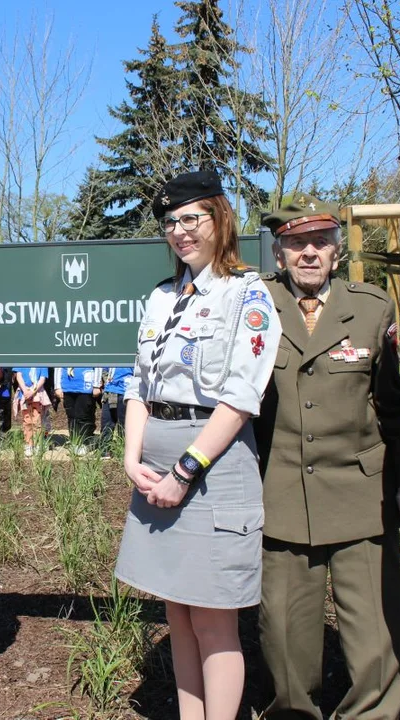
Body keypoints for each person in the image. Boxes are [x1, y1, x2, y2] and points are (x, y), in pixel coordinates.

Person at [114, 170, 280, 720]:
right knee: (178, 614)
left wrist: (185, 470)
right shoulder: (162, 298)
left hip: (212, 460)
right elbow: (139, 384)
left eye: (192, 218)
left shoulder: (246, 293)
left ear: (220, 219)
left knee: (213, 617)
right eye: (170, 222)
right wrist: (131, 457)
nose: (180, 230)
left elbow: (240, 395)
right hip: (155, 453)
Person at [254, 195, 400, 718]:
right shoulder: (253, 306)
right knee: (284, 636)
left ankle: (373, 713)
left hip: (361, 495)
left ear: (337, 253)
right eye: (296, 243)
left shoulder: (370, 309)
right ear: (279, 255)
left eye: (320, 242)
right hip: (282, 495)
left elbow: (393, 406)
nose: (309, 253)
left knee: (375, 635)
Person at [54, 366, 102, 454]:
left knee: (84, 415)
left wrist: (96, 385)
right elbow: (58, 366)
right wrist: (57, 386)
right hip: (67, 386)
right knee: (71, 416)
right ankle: (75, 441)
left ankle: (85, 442)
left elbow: (98, 364)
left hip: (85, 386)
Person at [13, 366, 50, 457]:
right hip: (24, 394)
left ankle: (37, 444)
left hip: (37, 394)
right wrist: (25, 391)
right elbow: (18, 376)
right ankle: (29, 444)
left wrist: (32, 391)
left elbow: (42, 379)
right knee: (27, 421)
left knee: (37, 421)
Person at [99, 366, 133, 458]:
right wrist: (105, 380)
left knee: (125, 423)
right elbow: (104, 369)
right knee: (107, 422)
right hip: (110, 392)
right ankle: (105, 449)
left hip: (126, 392)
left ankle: (124, 450)